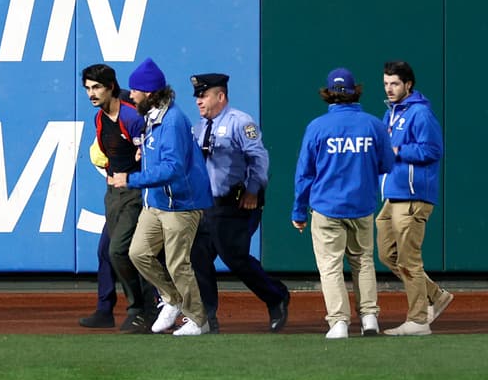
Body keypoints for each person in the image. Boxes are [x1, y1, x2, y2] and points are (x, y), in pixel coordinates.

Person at [111, 58, 212, 336]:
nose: (131, 95)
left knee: (178, 263)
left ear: (151, 93)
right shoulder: (153, 116)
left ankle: (198, 320)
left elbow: (174, 168)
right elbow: (161, 155)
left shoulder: (173, 121)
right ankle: (172, 299)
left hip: (180, 204)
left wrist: (130, 179)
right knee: (138, 253)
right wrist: (144, 154)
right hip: (155, 203)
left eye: (135, 91)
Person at [291, 67, 393, 340]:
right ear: (354, 91)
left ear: (328, 94)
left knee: (330, 266)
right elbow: (387, 164)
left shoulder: (317, 127)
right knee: (363, 261)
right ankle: (370, 318)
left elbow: (305, 174)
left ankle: (339, 323)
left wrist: (299, 211)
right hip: (362, 206)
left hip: (326, 208)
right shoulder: (374, 124)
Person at [185, 73, 290, 334]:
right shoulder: (199, 127)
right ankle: (207, 316)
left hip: (238, 202)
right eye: (197, 96)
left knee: (233, 256)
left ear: (220, 96)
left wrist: (253, 191)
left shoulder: (240, 122)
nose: (199, 100)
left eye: (204, 95)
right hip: (208, 205)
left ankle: (275, 295)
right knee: (199, 255)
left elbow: (259, 159)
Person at [377, 60, 453, 336]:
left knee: (409, 258)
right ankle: (436, 295)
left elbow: (433, 150)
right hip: (392, 194)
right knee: (388, 254)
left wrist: (398, 150)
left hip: (413, 195)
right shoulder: (390, 114)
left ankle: (419, 320)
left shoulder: (421, 114)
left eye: (394, 83)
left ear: (408, 84)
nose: (389, 88)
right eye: (386, 83)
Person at [80, 63, 156, 333]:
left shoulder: (132, 117)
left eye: (97, 87)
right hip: (114, 194)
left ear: (111, 87)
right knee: (107, 251)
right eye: (88, 88)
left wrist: (137, 168)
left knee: (120, 250)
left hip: (136, 194)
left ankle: (142, 309)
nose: (92, 93)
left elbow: (151, 154)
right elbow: (107, 153)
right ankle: (109, 310)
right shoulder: (100, 119)